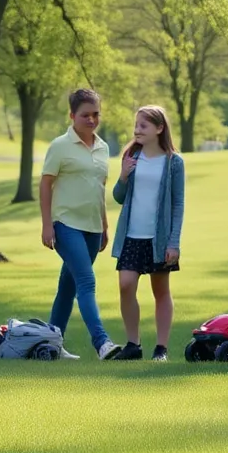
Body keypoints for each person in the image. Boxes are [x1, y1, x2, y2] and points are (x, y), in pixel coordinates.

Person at [41, 88, 121, 360]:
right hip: (65, 224)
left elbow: (99, 188)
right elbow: (46, 184)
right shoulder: (59, 146)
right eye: (85, 115)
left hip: (93, 228)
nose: (91, 120)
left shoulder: (103, 148)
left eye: (96, 114)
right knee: (86, 280)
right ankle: (102, 342)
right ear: (72, 115)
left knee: (68, 287)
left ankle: (51, 345)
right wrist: (46, 225)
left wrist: (105, 226)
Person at [109, 106, 185, 362]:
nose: (137, 130)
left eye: (143, 125)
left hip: (159, 240)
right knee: (125, 285)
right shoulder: (131, 155)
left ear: (159, 128)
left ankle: (161, 349)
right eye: (136, 125)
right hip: (131, 236)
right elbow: (118, 198)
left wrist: (173, 243)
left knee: (160, 290)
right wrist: (123, 176)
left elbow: (178, 205)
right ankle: (133, 344)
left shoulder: (174, 162)